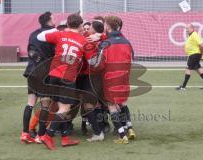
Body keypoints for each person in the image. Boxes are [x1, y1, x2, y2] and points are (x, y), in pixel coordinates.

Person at [37, 13, 89, 150]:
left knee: (62, 107)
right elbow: (92, 61)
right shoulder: (83, 40)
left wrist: (56, 30)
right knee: (65, 108)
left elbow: (40, 36)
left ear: (67, 25)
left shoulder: (59, 34)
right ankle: (48, 135)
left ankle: (65, 138)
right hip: (67, 77)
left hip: (54, 74)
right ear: (80, 25)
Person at [89, 16, 133, 144]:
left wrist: (92, 65)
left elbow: (100, 65)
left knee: (111, 106)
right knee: (122, 104)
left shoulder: (105, 43)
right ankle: (129, 128)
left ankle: (122, 136)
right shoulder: (126, 42)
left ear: (107, 26)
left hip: (110, 79)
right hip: (124, 78)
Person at [20, 11, 56, 144]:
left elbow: (31, 51)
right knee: (45, 104)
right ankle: (40, 135)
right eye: (53, 18)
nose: (55, 20)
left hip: (31, 71)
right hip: (44, 73)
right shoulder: (54, 33)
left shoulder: (33, 33)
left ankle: (25, 133)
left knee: (30, 103)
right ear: (49, 20)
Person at [176, 24, 203, 90]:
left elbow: (201, 46)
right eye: (186, 29)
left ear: (192, 28)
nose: (186, 30)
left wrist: (201, 55)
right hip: (194, 54)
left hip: (193, 55)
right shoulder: (191, 35)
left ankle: (183, 87)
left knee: (188, 69)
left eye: (188, 28)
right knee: (198, 69)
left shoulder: (194, 35)